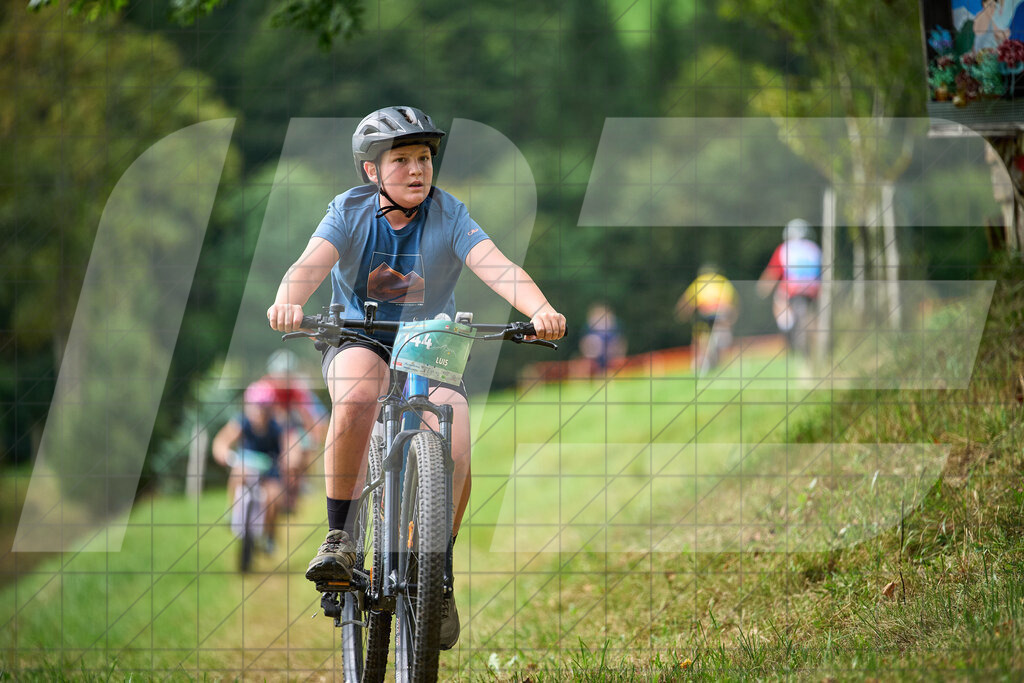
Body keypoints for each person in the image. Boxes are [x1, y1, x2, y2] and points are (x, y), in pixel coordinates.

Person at [266, 105, 565, 650]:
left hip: (429, 343)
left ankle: (435, 570)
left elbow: (497, 266)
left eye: (423, 158)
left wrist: (540, 309)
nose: (416, 169)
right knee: (358, 395)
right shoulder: (349, 211)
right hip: (357, 335)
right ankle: (340, 537)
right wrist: (289, 299)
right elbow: (310, 264)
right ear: (372, 171)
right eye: (400, 159)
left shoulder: (450, 214)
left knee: (457, 435)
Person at [211, 380, 286, 554]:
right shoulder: (241, 423)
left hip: (269, 471)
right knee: (238, 473)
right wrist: (225, 454)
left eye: (263, 408)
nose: (259, 412)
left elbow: (286, 449)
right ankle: (232, 511)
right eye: (256, 407)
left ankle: (269, 535)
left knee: (274, 497)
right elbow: (221, 441)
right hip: (246, 467)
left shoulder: (276, 428)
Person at [261, 349, 329, 513]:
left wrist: (313, 440)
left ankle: (292, 496)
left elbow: (311, 419)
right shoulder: (265, 389)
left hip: (293, 434)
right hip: (273, 435)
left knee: (294, 455)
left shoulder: (299, 391)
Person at [757, 218, 822, 356]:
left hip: (792, 290)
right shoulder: (815, 249)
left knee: (779, 300)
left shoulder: (785, 249)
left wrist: (762, 290)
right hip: (814, 290)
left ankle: (786, 325)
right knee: (813, 316)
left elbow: (772, 274)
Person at [675, 264, 739, 373]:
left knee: (699, 338)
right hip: (720, 314)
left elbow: (687, 302)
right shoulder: (722, 280)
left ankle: (699, 361)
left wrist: (681, 314)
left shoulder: (699, 281)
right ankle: (722, 362)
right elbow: (731, 302)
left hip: (705, 313)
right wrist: (732, 317)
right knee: (723, 338)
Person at [578, 303, 626, 376]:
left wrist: (618, 353)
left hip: (609, 354)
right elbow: (585, 342)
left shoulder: (613, 326)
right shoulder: (589, 327)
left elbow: (619, 341)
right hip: (596, 355)